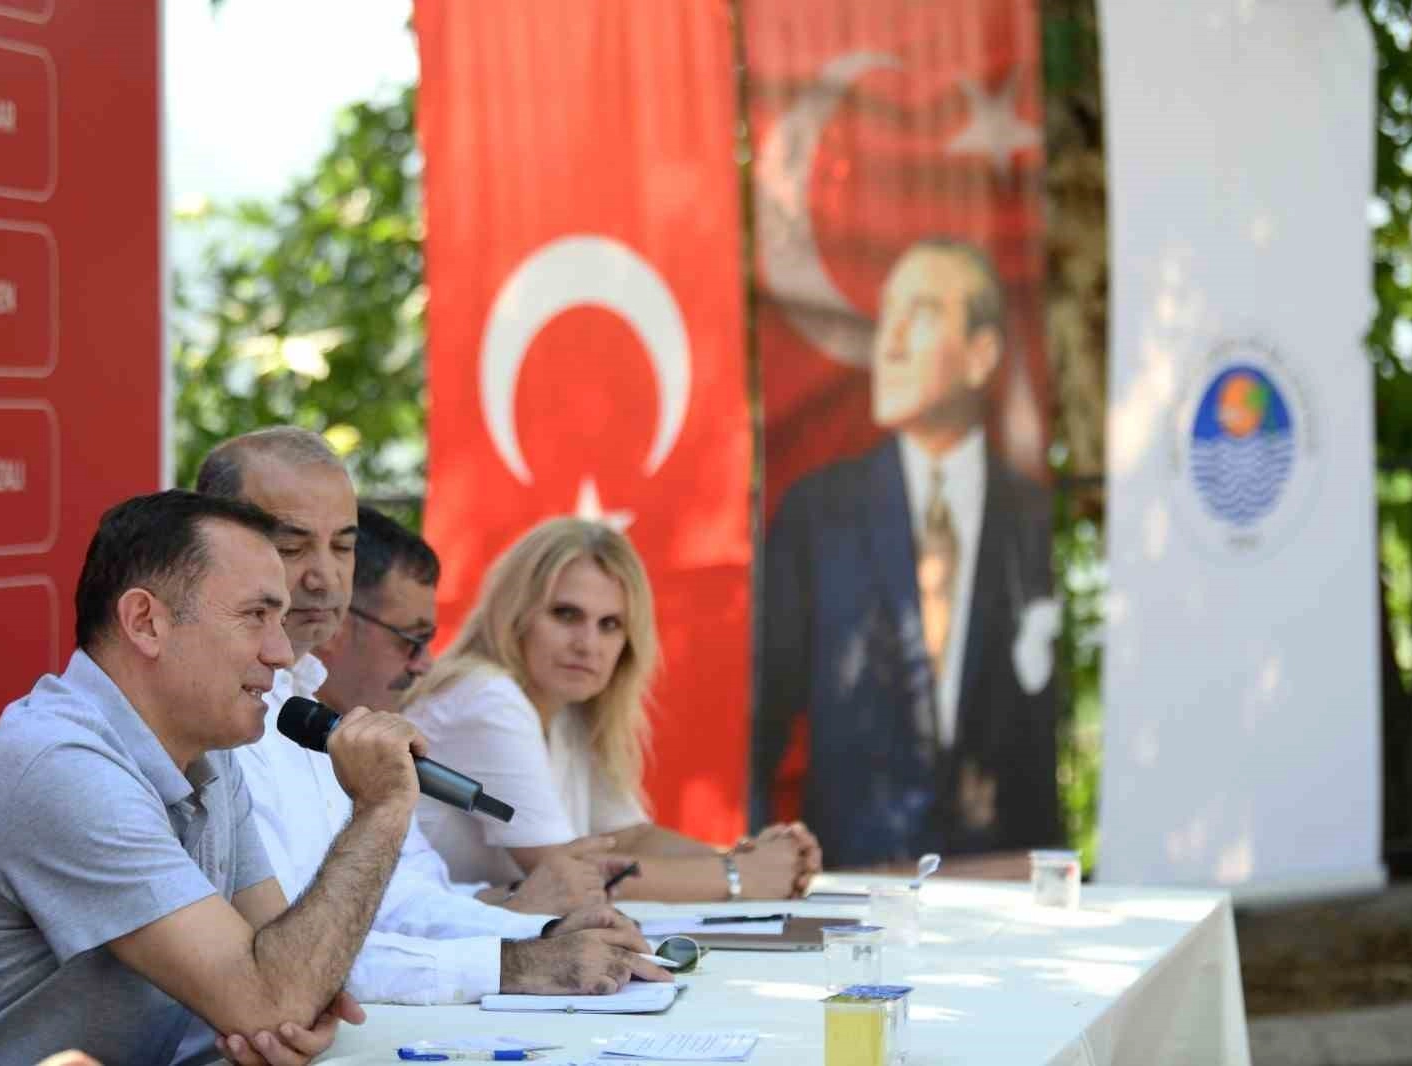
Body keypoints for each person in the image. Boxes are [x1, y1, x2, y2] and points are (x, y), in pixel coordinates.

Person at [0, 490, 425, 1066]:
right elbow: (272, 998)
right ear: (146, 623)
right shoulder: (61, 767)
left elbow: (290, 982)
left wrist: (286, 1003)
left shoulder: (209, 754)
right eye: (255, 616)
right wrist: (380, 809)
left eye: (281, 618)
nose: (281, 652)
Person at [191, 430, 666, 1014]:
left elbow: (402, 900)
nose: (326, 577)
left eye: (342, 547)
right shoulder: (213, 716)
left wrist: (541, 935)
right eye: (292, 547)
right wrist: (515, 961)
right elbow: (293, 959)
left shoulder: (302, 698)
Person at [754, 235, 1062, 868]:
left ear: (981, 356)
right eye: (885, 316)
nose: (888, 343)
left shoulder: (1032, 518)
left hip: (998, 885)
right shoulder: (817, 514)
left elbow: (1043, 732)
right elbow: (761, 727)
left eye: (919, 313)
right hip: (851, 882)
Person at [408, 517, 821, 902]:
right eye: (565, 614)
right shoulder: (486, 699)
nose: (587, 645)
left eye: (610, 625)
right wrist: (739, 876)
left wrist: (757, 861)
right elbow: (569, 876)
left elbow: (630, 838)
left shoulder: (568, 707)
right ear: (514, 614)